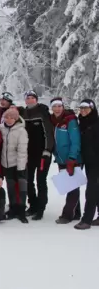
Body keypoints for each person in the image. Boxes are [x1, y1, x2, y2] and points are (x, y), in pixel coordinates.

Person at [22, 90, 54, 220]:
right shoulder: (23, 113)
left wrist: (47, 150)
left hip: (42, 154)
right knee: (28, 181)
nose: (30, 100)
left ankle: (41, 208)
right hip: (28, 154)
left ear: (36, 99)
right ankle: (33, 205)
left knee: (41, 180)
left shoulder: (42, 112)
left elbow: (49, 133)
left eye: (32, 98)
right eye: (27, 98)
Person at [49, 97, 82, 224]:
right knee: (70, 186)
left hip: (72, 159)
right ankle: (76, 213)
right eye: (54, 106)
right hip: (61, 159)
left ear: (63, 107)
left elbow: (76, 141)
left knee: (72, 187)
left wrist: (72, 158)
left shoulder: (70, 120)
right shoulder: (53, 120)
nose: (57, 109)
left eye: (59, 106)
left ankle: (67, 215)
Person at [0, 108, 29, 223]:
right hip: (6, 163)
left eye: (11, 117)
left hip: (18, 164)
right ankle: (12, 207)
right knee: (10, 186)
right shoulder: (1, 128)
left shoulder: (21, 131)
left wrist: (21, 168)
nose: (9, 119)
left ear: (16, 118)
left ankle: (21, 209)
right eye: (6, 117)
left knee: (21, 187)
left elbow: (22, 151)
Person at [75, 99, 99, 229]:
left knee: (91, 190)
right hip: (88, 161)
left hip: (96, 162)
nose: (83, 111)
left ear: (92, 109)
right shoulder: (82, 123)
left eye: (86, 108)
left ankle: (87, 219)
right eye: (81, 108)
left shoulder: (96, 124)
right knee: (96, 189)